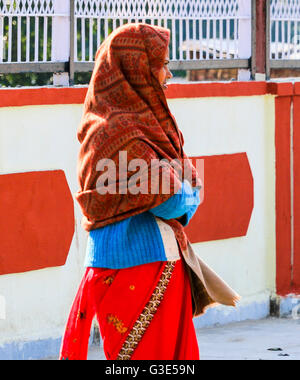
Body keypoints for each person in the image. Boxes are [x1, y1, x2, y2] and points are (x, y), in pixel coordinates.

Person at [59, 23, 239, 361]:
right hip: (147, 267)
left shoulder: (100, 125)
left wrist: (183, 187)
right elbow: (173, 202)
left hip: (110, 267)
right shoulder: (128, 131)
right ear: (137, 67)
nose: (168, 74)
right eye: (162, 64)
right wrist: (189, 191)